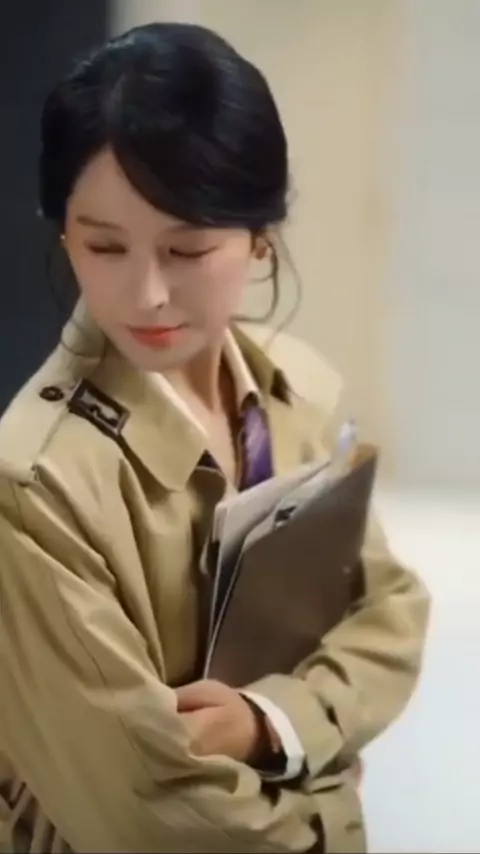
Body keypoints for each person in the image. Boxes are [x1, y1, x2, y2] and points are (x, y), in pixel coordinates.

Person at [0, 22, 429, 854]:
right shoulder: (35, 486)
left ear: (260, 237)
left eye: (188, 249)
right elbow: (143, 811)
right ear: (64, 236)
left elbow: (388, 609)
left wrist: (273, 723)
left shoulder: (298, 390)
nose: (147, 294)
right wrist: (328, 806)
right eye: (104, 246)